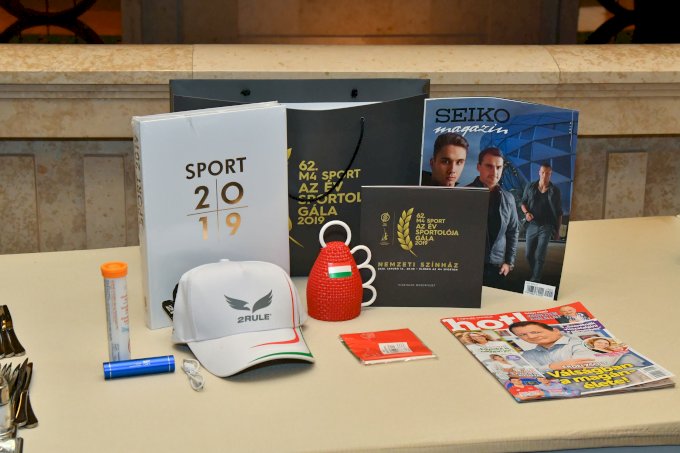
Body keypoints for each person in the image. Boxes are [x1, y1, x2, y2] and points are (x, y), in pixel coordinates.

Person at [467, 147, 519, 288]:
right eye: (489, 166)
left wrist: (509, 262)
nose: (495, 172)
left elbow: (513, 231)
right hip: (468, 265)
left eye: (499, 167)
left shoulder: (509, 198)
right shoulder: (464, 194)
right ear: (479, 167)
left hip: (497, 267)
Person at [520, 163, 563, 283]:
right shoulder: (530, 187)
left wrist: (557, 232)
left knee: (540, 254)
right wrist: (526, 213)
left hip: (547, 226)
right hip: (532, 224)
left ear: (551, 174)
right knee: (529, 255)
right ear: (539, 172)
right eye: (543, 172)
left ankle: (535, 279)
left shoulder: (555, 191)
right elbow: (523, 203)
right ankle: (536, 272)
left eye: (548, 173)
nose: (545, 175)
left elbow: (559, 213)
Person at [508, 321, 597, 373]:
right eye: (523, 335)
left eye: (535, 332)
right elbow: (531, 374)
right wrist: (552, 367)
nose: (531, 337)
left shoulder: (581, 344)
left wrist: (543, 369)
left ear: (555, 331)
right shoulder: (527, 355)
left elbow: (583, 367)